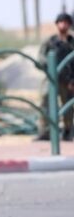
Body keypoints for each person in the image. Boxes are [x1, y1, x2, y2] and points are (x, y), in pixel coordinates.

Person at [36, 12, 74, 141]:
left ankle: (68, 131)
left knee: (68, 106)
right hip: (52, 78)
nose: (63, 25)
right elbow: (41, 57)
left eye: (66, 22)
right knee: (45, 101)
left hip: (68, 80)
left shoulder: (71, 42)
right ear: (57, 24)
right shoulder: (50, 41)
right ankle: (45, 131)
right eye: (61, 22)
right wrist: (48, 65)